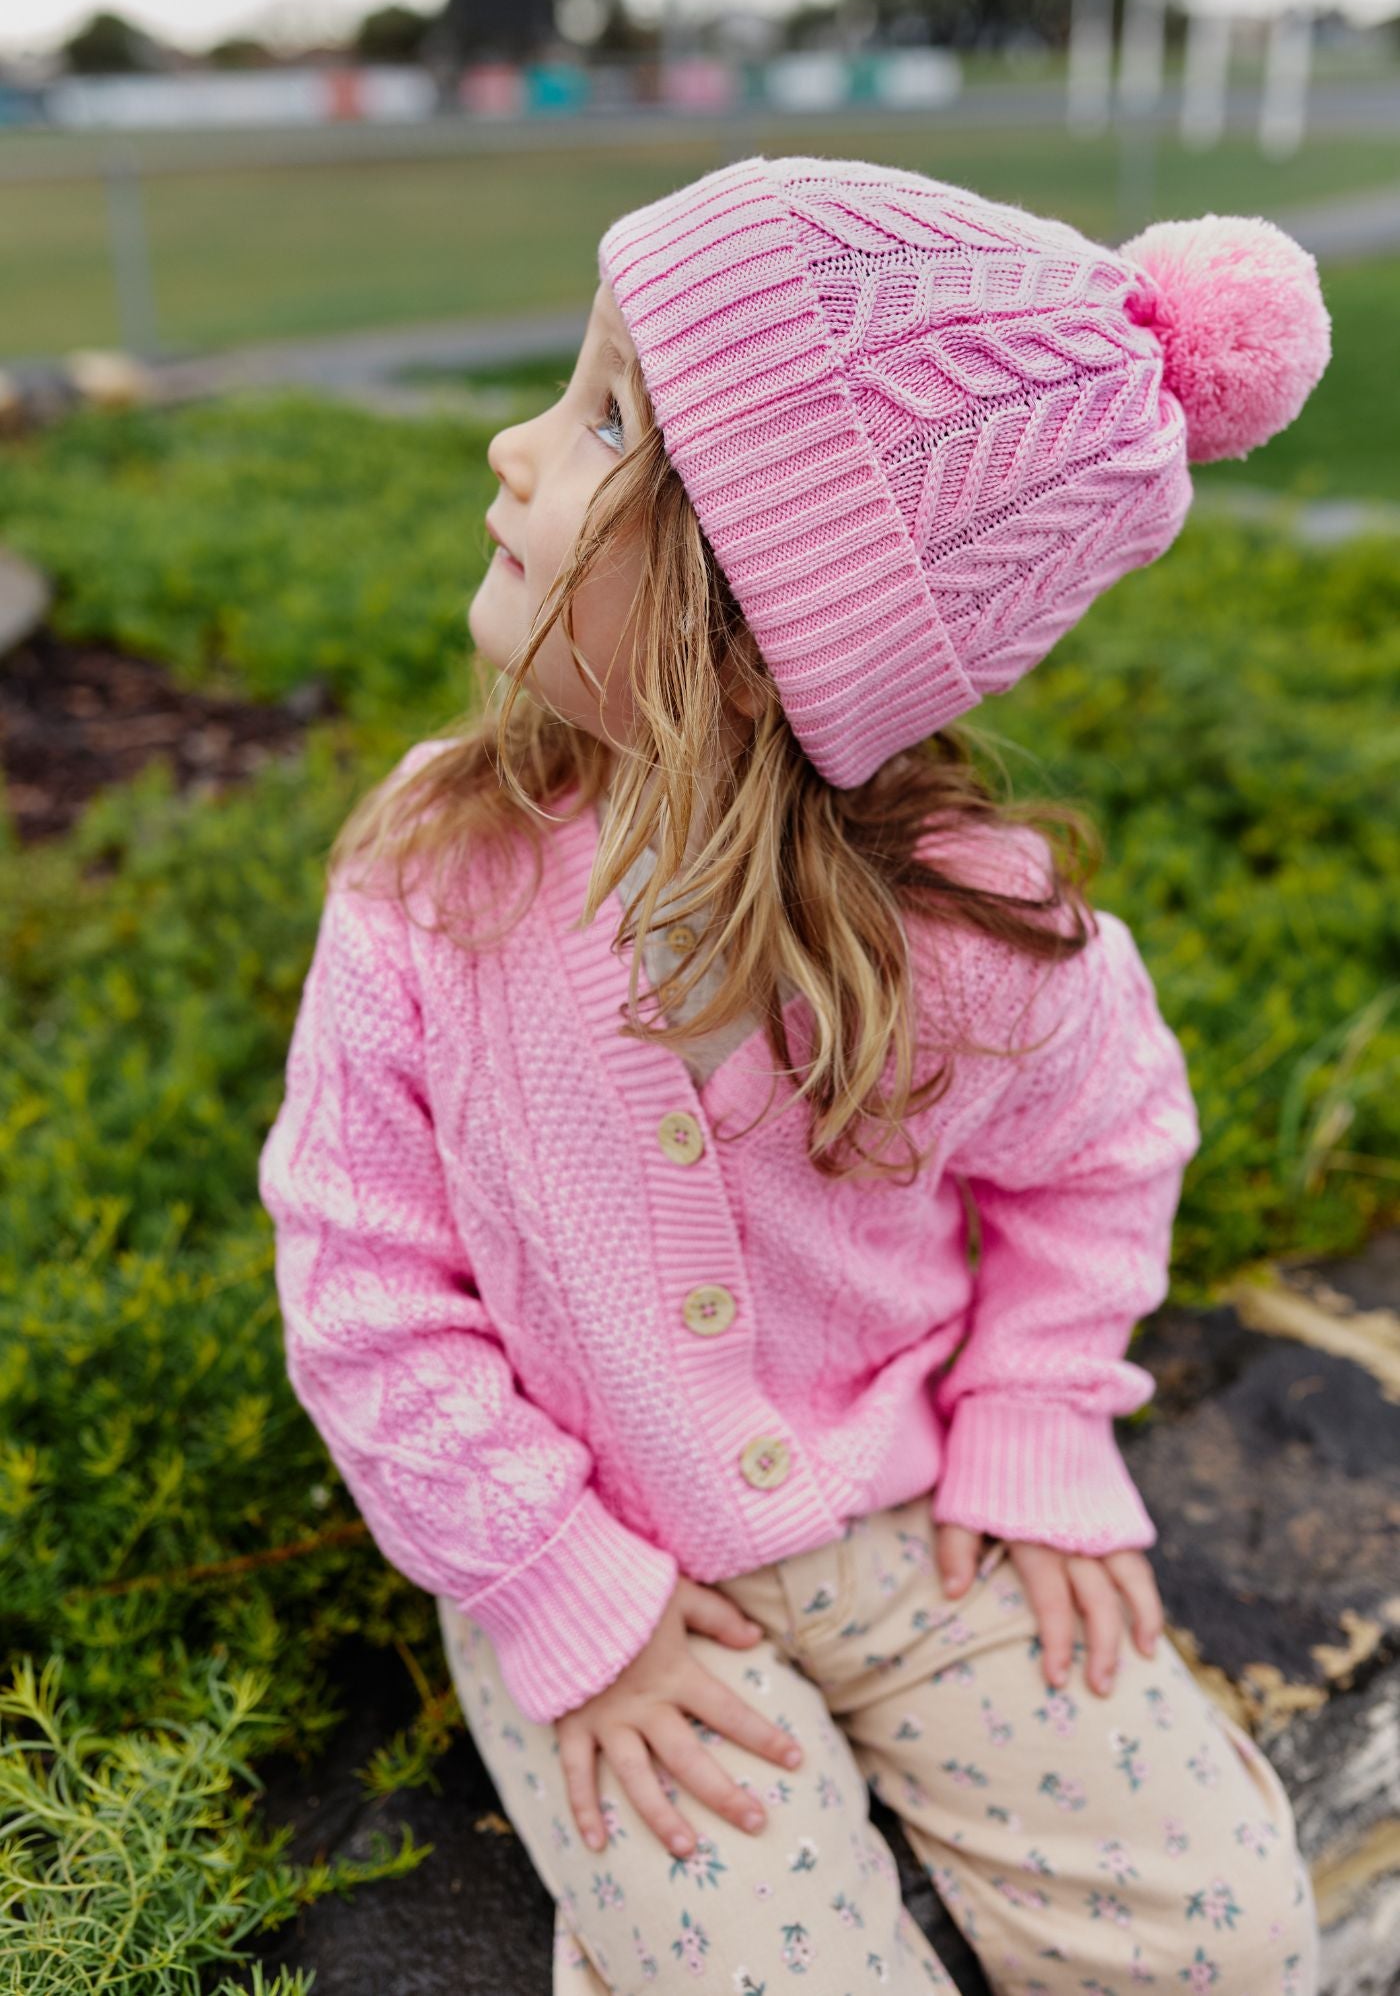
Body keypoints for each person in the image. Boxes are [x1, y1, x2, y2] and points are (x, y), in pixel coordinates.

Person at [258, 155, 1331, 1994]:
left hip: (913, 1513)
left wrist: (1041, 1418)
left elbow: (1103, 1153)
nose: (513, 451)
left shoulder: (976, 936)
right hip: (601, 1564)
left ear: (759, 637)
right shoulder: (434, 886)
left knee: (1227, 1934)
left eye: (603, 420)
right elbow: (362, 1284)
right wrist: (556, 1594)